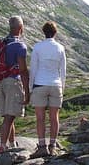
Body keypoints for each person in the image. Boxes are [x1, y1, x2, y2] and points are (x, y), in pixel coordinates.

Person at [29, 21, 66, 158]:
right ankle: (53, 146)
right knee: (54, 117)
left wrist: (30, 87)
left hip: (40, 83)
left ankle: (42, 146)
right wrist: (62, 86)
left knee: (40, 118)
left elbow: (33, 68)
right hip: (56, 84)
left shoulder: (38, 47)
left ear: (43, 32)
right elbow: (63, 70)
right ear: (55, 33)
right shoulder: (60, 48)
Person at [0, 15, 30, 154]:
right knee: (10, 116)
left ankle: (11, 143)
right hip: (13, 82)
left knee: (8, 116)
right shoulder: (19, 45)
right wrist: (27, 91)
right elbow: (22, 69)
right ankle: (3, 146)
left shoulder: (2, 43)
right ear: (21, 28)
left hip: (1, 81)